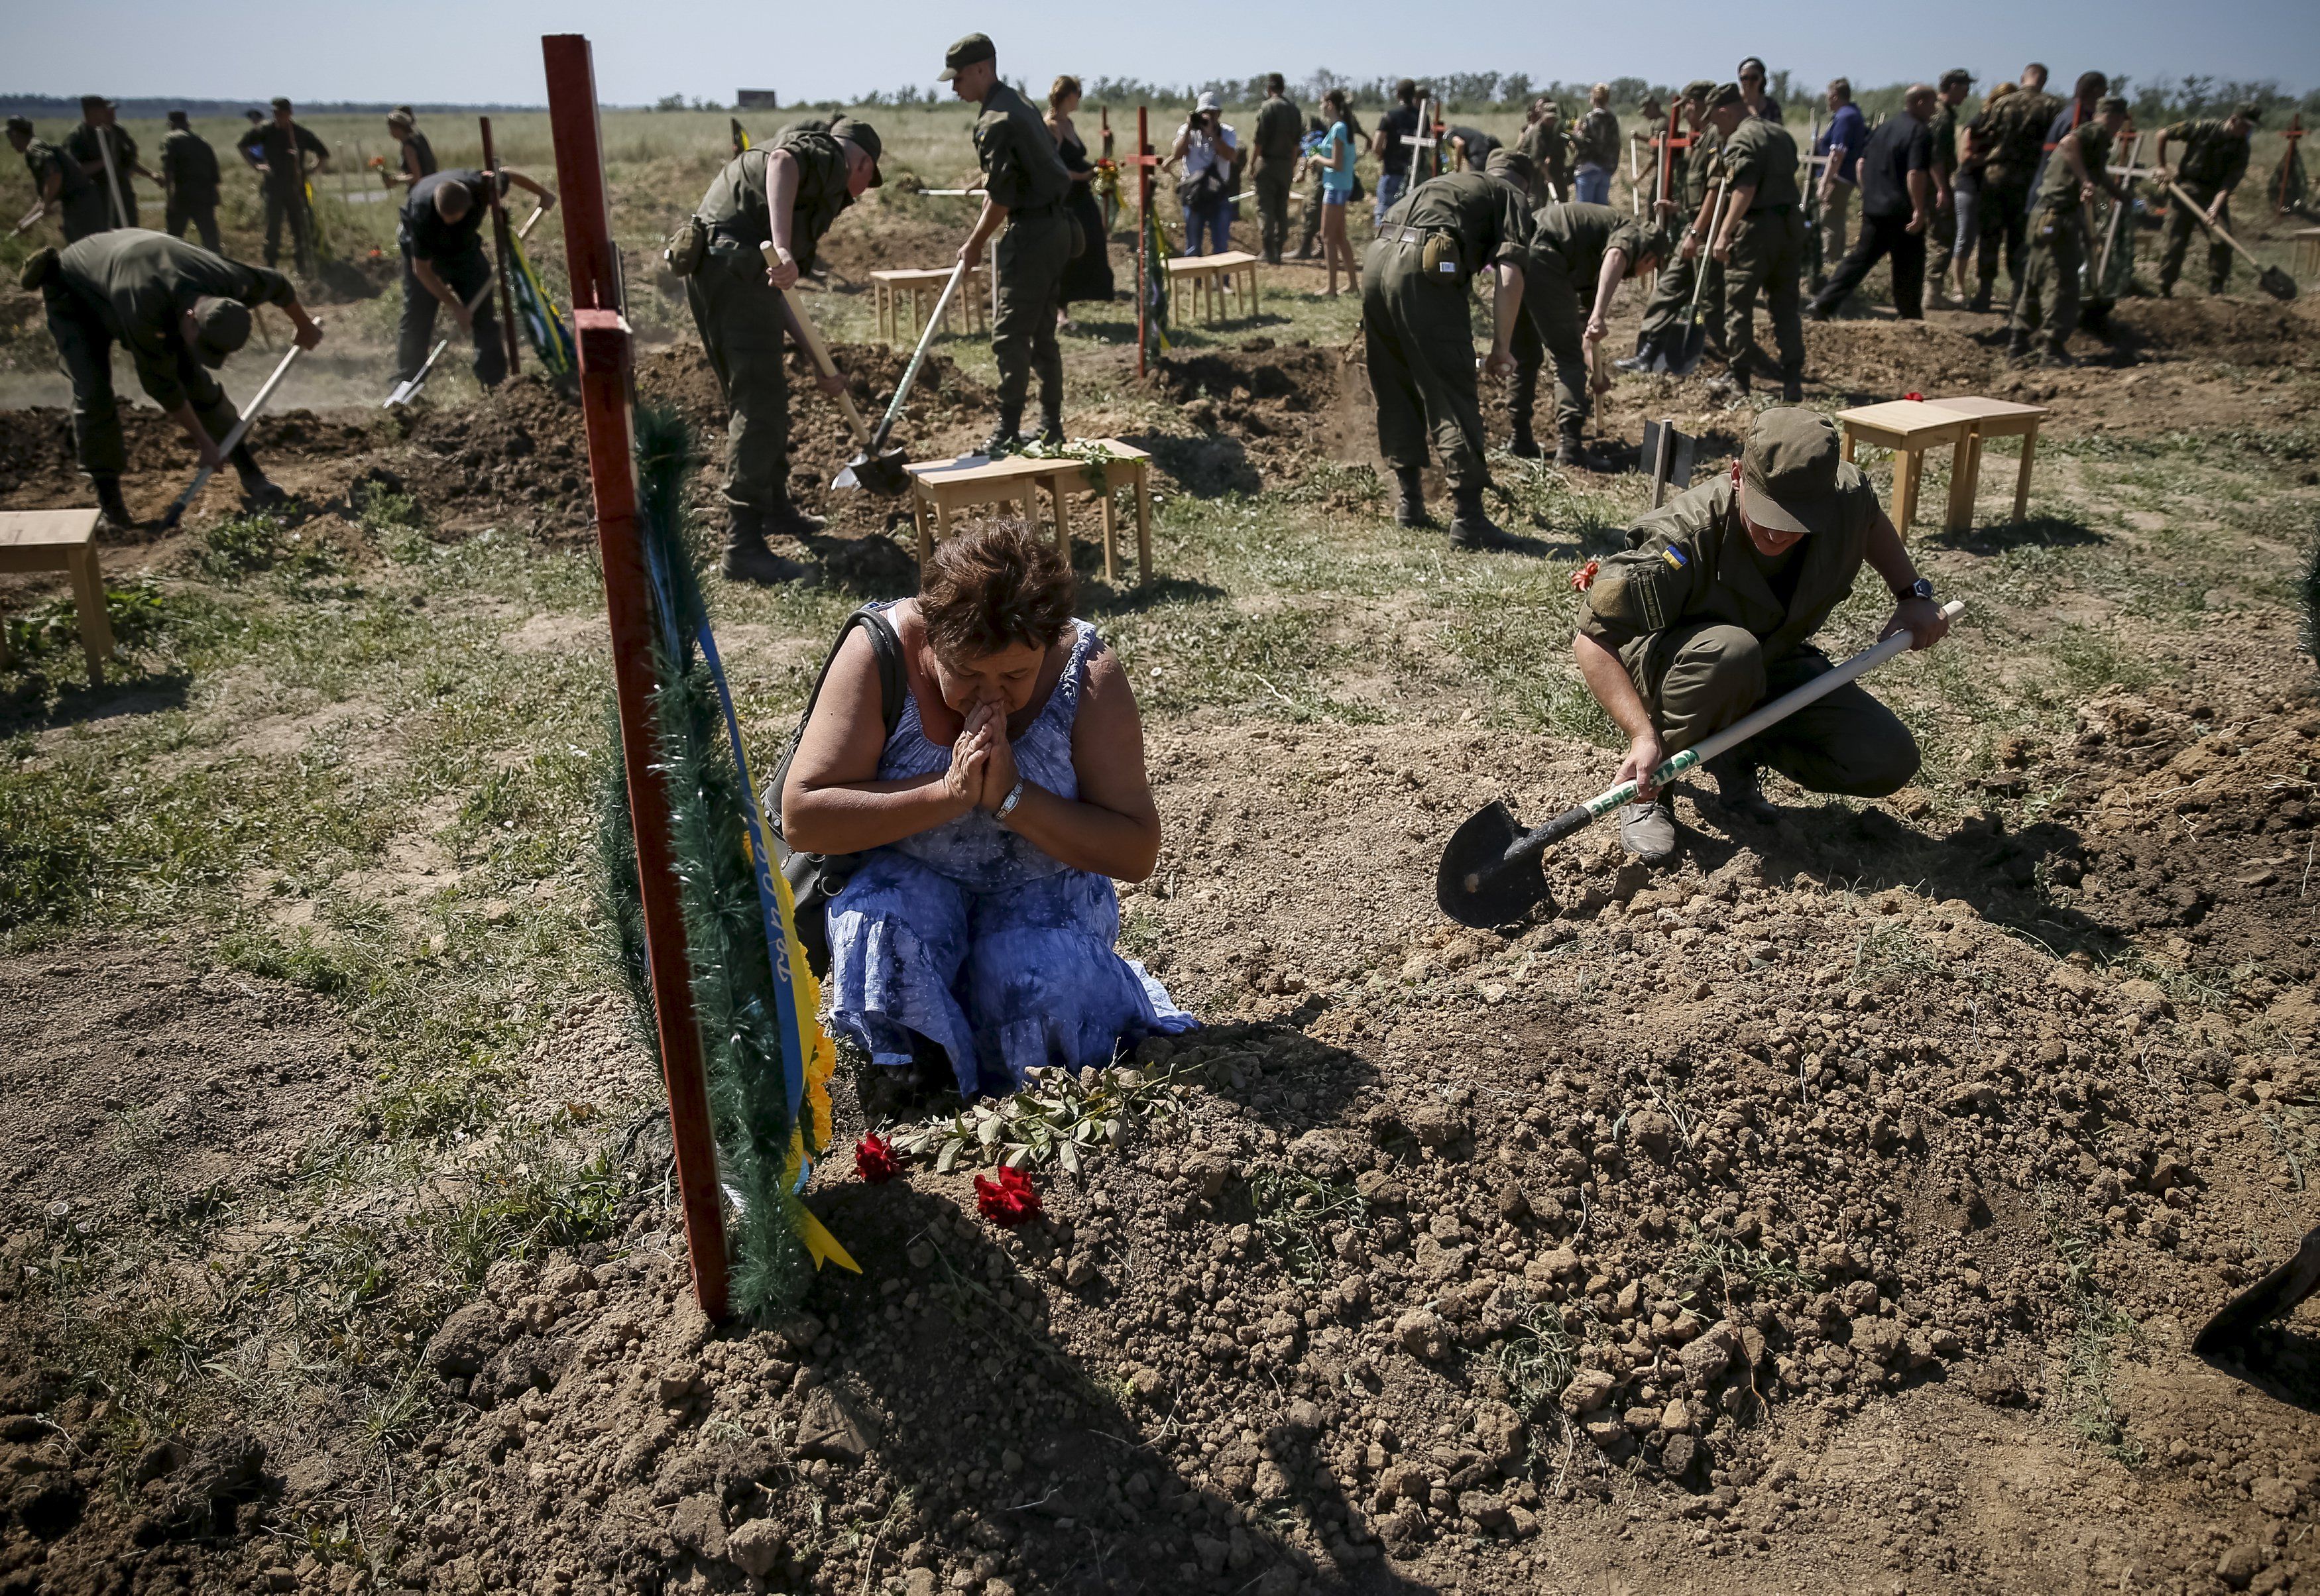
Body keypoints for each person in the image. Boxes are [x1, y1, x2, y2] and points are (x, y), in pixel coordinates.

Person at [780, 519, 1193, 1100]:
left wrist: (1011, 798)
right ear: (930, 636)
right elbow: (805, 815)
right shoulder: (880, 653)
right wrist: (948, 794)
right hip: (914, 884)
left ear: (1050, 643)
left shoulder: (1087, 673)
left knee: (1036, 971)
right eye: (967, 672)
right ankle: (917, 1078)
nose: (991, 695)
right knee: (876, 922)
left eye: (1016, 674)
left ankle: (1032, 1086)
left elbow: (1135, 851)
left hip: (1045, 896)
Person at [1572, 408, 1949, 865]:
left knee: (1885, 757)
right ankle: (1650, 790)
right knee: (1730, 653)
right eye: (1768, 511)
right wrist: (1641, 735)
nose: (1777, 532)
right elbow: (1592, 639)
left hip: (1771, 660)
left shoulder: (1843, 497)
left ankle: (1734, 748)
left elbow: (1867, 517)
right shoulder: (1683, 537)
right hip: (1678, 664)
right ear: (1737, 476)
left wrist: (1911, 593)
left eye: (1796, 520)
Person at [25, 229, 325, 530]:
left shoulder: (230, 280)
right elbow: (162, 386)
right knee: (94, 393)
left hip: (134, 271)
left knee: (195, 380)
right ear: (192, 318)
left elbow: (278, 284)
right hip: (74, 292)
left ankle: (253, 477)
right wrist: (205, 443)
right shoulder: (146, 306)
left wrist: (303, 325)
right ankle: (111, 509)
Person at [683, 119, 878, 581]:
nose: (860, 195)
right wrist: (785, 249)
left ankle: (773, 509)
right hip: (733, 270)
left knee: (761, 396)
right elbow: (781, 161)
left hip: (725, 269)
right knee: (759, 402)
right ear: (862, 164)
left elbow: (780, 292)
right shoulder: (829, 156)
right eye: (869, 181)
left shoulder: (801, 194)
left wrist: (818, 363)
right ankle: (743, 547)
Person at [1362, 166, 1528, 547]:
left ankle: (1409, 502)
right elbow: (1511, 273)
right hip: (1424, 263)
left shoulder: (1453, 184)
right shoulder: (1511, 195)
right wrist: (1501, 348)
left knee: (1394, 382)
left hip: (1377, 258)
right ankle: (1470, 518)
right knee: (1449, 388)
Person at [945, 32, 1076, 455]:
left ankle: (1007, 430)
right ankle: (1051, 426)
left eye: (959, 78)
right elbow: (1014, 178)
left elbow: (1002, 200)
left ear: (982, 69)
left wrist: (973, 245)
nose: (954, 87)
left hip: (1033, 234)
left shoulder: (995, 121)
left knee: (1010, 335)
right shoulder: (1017, 103)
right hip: (1055, 228)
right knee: (1042, 332)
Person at [1514, 189, 1666, 467]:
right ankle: (1570, 447)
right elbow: (1617, 255)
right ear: (1650, 258)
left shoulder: (1591, 256)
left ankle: (1519, 438)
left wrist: (1598, 373)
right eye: (1653, 268)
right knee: (1566, 356)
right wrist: (1600, 314)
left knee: (1525, 354)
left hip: (1516, 254)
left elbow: (1587, 335)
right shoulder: (1629, 232)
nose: (1644, 275)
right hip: (1542, 252)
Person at [395, 163, 556, 396]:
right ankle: (407, 381)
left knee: (484, 315)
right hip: (426, 255)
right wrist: (455, 307)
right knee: (418, 316)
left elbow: (507, 174)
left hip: (465, 252)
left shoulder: (481, 186)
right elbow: (422, 270)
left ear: (470, 206)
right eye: (446, 220)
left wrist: (543, 193)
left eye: (456, 220)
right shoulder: (422, 214)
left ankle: (494, 383)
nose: (451, 224)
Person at [1700, 82, 1806, 402]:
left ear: (1725, 112)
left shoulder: (1742, 139)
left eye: (1717, 122)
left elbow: (1744, 190)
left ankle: (1740, 378)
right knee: (1785, 307)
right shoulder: (1780, 134)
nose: (1718, 130)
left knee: (1739, 304)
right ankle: (1792, 380)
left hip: (1757, 230)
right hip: (1790, 227)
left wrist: (1724, 233)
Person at [2009, 95, 2128, 365]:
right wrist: (2085, 181)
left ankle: (2018, 344)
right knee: (2062, 282)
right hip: (2059, 216)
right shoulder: (2095, 131)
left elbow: (2098, 173)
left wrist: (2116, 193)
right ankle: (2052, 349)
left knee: (2036, 278)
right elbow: (2068, 143)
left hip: (2045, 214)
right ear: (2116, 117)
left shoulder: (2095, 138)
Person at [1807, 84, 1935, 322]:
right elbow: (1915, 173)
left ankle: (1823, 304)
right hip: (1902, 210)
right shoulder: (1920, 132)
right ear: (1920, 102)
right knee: (1910, 264)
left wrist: (1867, 194)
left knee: (1860, 259)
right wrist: (1919, 209)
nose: (1934, 109)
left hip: (1875, 208)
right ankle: (1911, 317)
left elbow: (1861, 163)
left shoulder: (1884, 129)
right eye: (1932, 103)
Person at [1623, 80, 1726, 372]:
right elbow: (1701, 192)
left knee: (1710, 304)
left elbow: (1717, 191)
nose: (1685, 113)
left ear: (1699, 104)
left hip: (1707, 233)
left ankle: (1736, 362)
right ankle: (1649, 353)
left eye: (1688, 106)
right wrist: (1678, 208)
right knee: (1667, 289)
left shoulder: (1717, 137)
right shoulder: (1702, 138)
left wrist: (1696, 233)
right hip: (1695, 227)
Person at [1973, 66, 2059, 311]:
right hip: (2028, 180)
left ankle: (1984, 293)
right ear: (2044, 81)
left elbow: (1985, 134)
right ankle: (2017, 295)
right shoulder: (2052, 106)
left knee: (1989, 235)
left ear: (2023, 78)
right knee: (2020, 238)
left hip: (1996, 176)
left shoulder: (2003, 103)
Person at [2154, 103, 2258, 298]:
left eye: (2250, 128)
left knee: (2222, 238)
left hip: (2214, 194)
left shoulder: (2242, 148)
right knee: (2175, 240)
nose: (2247, 131)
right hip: (2185, 189)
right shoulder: (2203, 127)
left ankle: (2217, 287)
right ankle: (2164, 287)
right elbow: (2162, 134)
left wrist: (2214, 208)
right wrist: (2162, 167)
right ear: (2233, 120)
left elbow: (2228, 184)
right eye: (2245, 126)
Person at [1045, 80, 1114, 327]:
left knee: (1093, 240)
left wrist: (1099, 169)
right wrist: (1082, 175)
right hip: (1065, 198)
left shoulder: (1069, 124)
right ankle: (1058, 311)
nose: (1080, 98)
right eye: (1078, 94)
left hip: (1082, 197)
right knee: (1067, 249)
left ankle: (1079, 296)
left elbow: (1076, 158)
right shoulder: (1051, 126)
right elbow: (1052, 166)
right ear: (1068, 96)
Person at [235, 98, 330, 275]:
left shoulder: (300, 133)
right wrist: (257, 165)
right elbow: (242, 145)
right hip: (274, 187)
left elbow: (323, 153)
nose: (278, 116)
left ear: (290, 113)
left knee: (300, 228)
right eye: (275, 113)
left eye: (281, 113)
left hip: (296, 187)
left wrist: (311, 169)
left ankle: (302, 266)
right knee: (273, 228)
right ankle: (271, 266)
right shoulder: (265, 131)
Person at [1949, 80, 2014, 305]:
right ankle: (1958, 287)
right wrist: (1994, 157)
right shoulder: (1979, 122)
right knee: (1966, 236)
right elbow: (1965, 157)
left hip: (1994, 190)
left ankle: (1983, 289)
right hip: (1970, 186)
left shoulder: (2009, 127)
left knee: (1990, 238)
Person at [8, 117, 107, 243]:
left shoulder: (34, 149)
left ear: (15, 134)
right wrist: (26, 220)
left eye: (9, 136)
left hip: (81, 204)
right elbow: (44, 197)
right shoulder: (37, 147)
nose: (11, 143)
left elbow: (54, 175)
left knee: (85, 245)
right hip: (80, 202)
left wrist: (47, 203)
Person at [1165, 91, 1240, 257]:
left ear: (1219, 114)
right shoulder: (1187, 131)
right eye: (1204, 113)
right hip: (1193, 194)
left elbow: (1230, 156)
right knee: (1193, 246)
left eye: (1213, 113)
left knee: (1221, 245)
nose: (1208, 117)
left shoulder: (1227, 132)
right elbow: (1177, 154)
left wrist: (1212, 134)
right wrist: (1189, 129)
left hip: (1218, 193)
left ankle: (1220, 275)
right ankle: (1195, 274)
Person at [1924, 70, 1973, 304]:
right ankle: (1933, 292)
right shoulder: (1942, 117)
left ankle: (1929, 289)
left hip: (1926, 183)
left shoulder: (1935, 112)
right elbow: (1935, 157)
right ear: (1953, 87)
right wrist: (1942, 188)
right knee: (1942, 235)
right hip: (1933, 185)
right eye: (1965, 89)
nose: (1967, 94)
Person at [65, 96, 150, 231]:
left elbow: (128, 161)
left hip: (122, 193)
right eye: (104, 110)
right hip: (96, 197)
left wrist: (150, 175)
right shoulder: (78, 137)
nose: (109, 114)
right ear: (92, 112)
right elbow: (74, 170)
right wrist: (104, 162)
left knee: (130, 232)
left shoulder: (116, 132)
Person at [1293, 101, 1364, 260]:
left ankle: (1308, 247)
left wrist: (1307, 165)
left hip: (1330, 178)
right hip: (1333, 177)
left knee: (1314, 210)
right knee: (1327, 220)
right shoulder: (1340, 125)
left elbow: (1312, 149)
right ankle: (1320, 247)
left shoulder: (1337, 127)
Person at [1812, 78, 1867, 271]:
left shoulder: (1845, 117)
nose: (1827, 101)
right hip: (1846, 175)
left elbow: (1837, 155)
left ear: (1835, 97)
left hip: (1838, 176)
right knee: (1837, 217)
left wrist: (1824, 183)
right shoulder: (1852, 114)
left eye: (1829, 97)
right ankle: (1837, 258)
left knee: (1829, 219)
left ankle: (1829, 260)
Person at [1249, 74, 1303, 264]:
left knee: (1266, 208)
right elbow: (1297, 143)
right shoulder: (1294, 110)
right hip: (1286, 165)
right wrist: (1292, 165)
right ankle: (1279, 249)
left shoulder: (1267, 108)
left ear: (1269, 89)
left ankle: (1268, 250)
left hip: (1267, 163)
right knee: (1282, 207)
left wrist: (1252, 164)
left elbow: (1259, 141)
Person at [1313, 89, 1360, 297]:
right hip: (1342, 186)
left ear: (1330, 104)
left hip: (1335, 187)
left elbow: (1337, 163)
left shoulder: (1339, 128)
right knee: (1340, 237)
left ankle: (1331, 287)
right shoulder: (1342, 127)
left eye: (1322, 103)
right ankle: (1352, 284)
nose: (1321, 107)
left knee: (1327, 237)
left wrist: (1317, 159)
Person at [158, 111, 222, 252]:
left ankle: (174, 262)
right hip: (205, 194)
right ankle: (217, 262)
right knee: (210, 237)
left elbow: (169, 170)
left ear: (171, 124)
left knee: (175, 236)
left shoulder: (171, 139)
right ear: (187, 124)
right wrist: (216, 194)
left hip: (183, 194)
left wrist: (170, 196)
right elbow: (214, 171)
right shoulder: (202, 142)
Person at [1373, 80, 1423, 225]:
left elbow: (1377, 145)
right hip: (1415, 175)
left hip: (1392, 172)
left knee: (1385, 215)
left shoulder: (1389, 116)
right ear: (1414, 95)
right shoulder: (1422, 117)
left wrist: (1382, 156)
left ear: (1398, 95)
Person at [1572, 85, 1620, 205]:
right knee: (1601, 211)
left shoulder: (1588, 119)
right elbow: (1616, 144)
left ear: (1593, 98)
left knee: (1585, 211)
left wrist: (1576, 133)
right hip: (1606, 168)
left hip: (1588, 168)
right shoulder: (1612, 119)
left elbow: (1582, 144)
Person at [1518, 97, 1574, 201]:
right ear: (1542, 116)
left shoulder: (1558, 127)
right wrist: (1547, 176)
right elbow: (1536, 157)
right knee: (1537, 199)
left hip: (1554, 164)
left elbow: (1561, 143)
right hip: (1534, 165)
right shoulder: (1537, 131)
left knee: (1562, 195)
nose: (1551, 121)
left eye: (1553, 118)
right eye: (1548, 118)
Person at [384, 109, 437, 189]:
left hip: (421, 189)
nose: (390, 132)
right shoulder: (417, 138)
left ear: (398, 128)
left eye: (391, 128)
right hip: (431, 184)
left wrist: (396, 180)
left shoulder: (409, 147)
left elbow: (416, 176)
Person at [1737, 58, 1784, 125]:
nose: (1749, 82)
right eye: (1745, 78)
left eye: (1754, 78)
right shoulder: (1734, 104)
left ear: (1762, 79)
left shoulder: (1772, 106)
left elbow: (1779, 129)